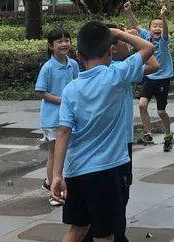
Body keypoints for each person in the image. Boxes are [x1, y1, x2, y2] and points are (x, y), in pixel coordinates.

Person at [50, 21, 155, 242]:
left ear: (78, 54)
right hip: (107, 171)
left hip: (76, 170)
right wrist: (118, 33)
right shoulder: (117, 75)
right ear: (109, 50)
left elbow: (63, 132)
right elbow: (148, 48)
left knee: (78, 228)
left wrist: (57, 175)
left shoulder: (71, 89)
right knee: (105, 235)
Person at [35, 27, 79, 206]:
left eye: (66, 40)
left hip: (70, 117)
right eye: (59, 42)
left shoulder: (74, 64)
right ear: (50, 46)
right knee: (55, 152)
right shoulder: (48, 67)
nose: (64, 44)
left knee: (69, 151)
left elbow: (78, 85)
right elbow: (40, 91)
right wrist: (62, 101)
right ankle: (55, 191)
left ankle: (57, 184)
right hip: (52, 118)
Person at [130, 4, 174, 152]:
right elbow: (136, 26)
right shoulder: (146, 36)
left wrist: (163, 17)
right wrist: (129, 11)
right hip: (150, 77)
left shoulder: (164, 40)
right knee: (142, 105)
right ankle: (148, 133)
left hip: (163, 78)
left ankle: (168, 135)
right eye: (154, 26)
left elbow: (166, 31)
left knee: (161, 112)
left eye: (160, 26)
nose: (157, 28)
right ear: (149, 28)